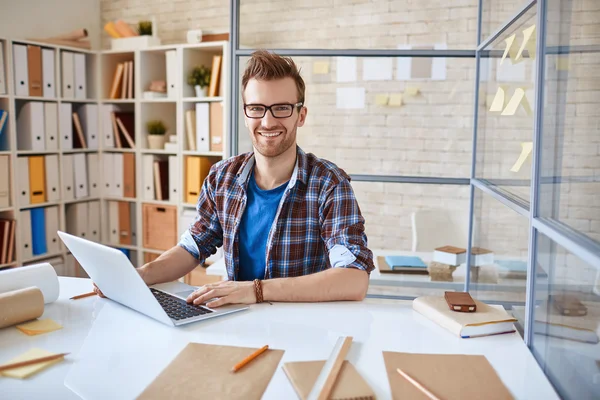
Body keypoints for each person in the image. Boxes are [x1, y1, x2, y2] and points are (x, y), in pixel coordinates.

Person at [95, 50, 374, 307]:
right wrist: (139, 276)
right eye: (256, 108)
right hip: (237, 322)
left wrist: (255, 291)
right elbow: (192, 248)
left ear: (300, 115)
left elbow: (354, 279)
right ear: (244, 114)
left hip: (302, 329)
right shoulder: (222, 178)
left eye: (281, 108)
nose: (267, 121)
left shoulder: (329, 184)